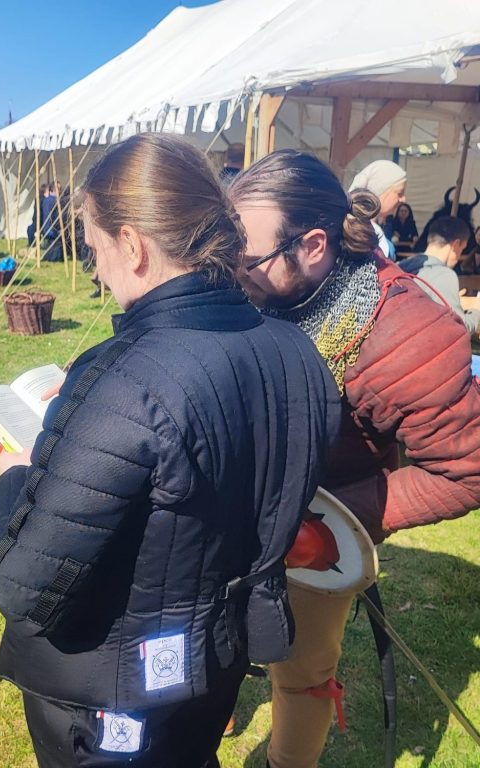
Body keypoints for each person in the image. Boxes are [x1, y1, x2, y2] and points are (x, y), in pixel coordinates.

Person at [0, 134, 340, 768]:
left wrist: (15, 475)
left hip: (108, 694)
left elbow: (24, 588)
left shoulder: (127, 378)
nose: (97, 271)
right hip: (214, 661)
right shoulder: (296, 352)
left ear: (132, 244)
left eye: (94, 249)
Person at [228, 149, 480, 768]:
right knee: (215, 630)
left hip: (314, 526)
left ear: (314, 245)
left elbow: (465, 470)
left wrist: (326, 526)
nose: (231, 271)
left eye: (246, 258)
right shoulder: (257, 279)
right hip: (233, 505)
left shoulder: (406, 333)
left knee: (301, 669)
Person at [399, 216, 479, 335]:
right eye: (462, 249)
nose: (458, 257)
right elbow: (458, 331)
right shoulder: (445, 275)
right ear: (456, 244)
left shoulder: (402, 265)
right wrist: (476, 310)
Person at [347, 159, 407, 260]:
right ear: (380, 191)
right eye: (399, 193)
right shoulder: (358, 231)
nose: (403, 199)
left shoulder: (379, 226)